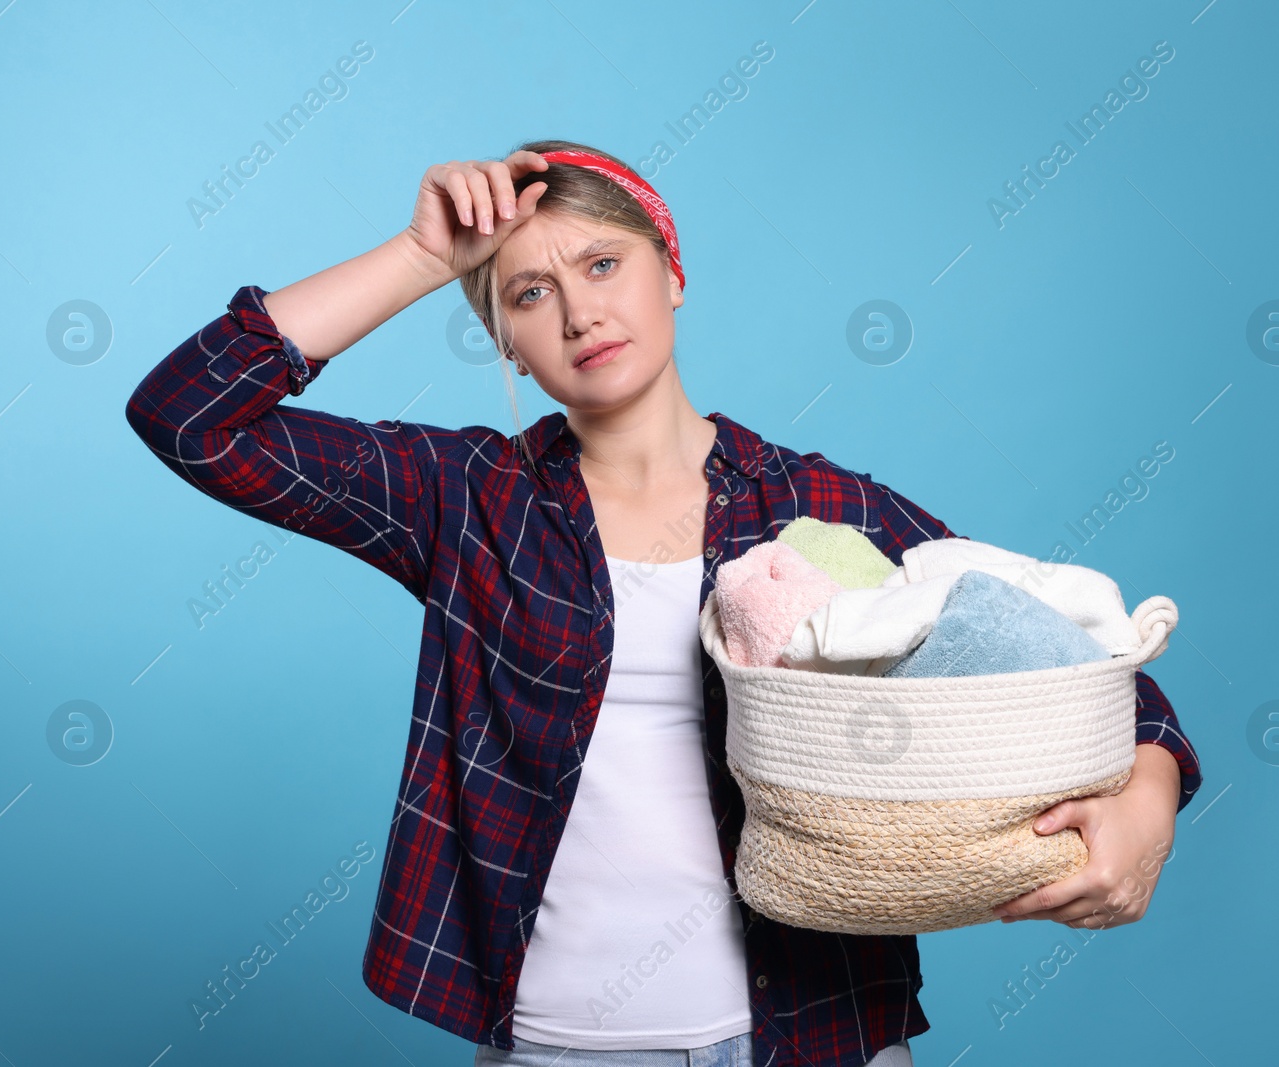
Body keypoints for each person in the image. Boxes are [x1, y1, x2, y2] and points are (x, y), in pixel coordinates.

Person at [125, 139, 1202, 1067]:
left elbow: (1088, 676)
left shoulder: (818, 505)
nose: (581, 309)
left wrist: (1145, 805)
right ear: (504, 337)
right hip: (557, 1037)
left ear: (671, 270)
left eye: (604, 262)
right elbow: (190, 418)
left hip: (811, 1023)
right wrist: (419, 257)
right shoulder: (466, 501)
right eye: (529, 292)